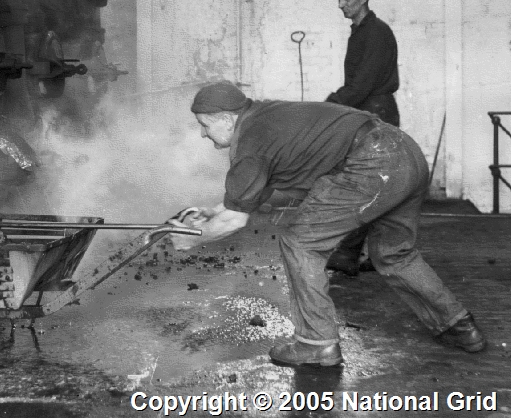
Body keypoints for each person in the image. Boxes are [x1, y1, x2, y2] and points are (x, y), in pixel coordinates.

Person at [168, 81, 485, 367]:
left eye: (204, 125)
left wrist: (192, 238)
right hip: (404, 152)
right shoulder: (265, 115)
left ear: (226, 119)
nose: (202, 134)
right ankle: (458, 325)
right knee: (394, 254)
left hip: (371, 163)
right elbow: (246, 200)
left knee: (301, 243)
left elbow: (237, 218)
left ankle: (315, 343)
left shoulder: (250, 145)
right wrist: (213, 212)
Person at [325, 0, 399, 276]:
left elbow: (363, 82)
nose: (342, 4)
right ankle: (369, 254)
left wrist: (330, 105)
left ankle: (351, 252)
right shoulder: (360, 32)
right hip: (369, 110)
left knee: (370, 185)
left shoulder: (376, 33)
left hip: (376, 111)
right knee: (375, 185)